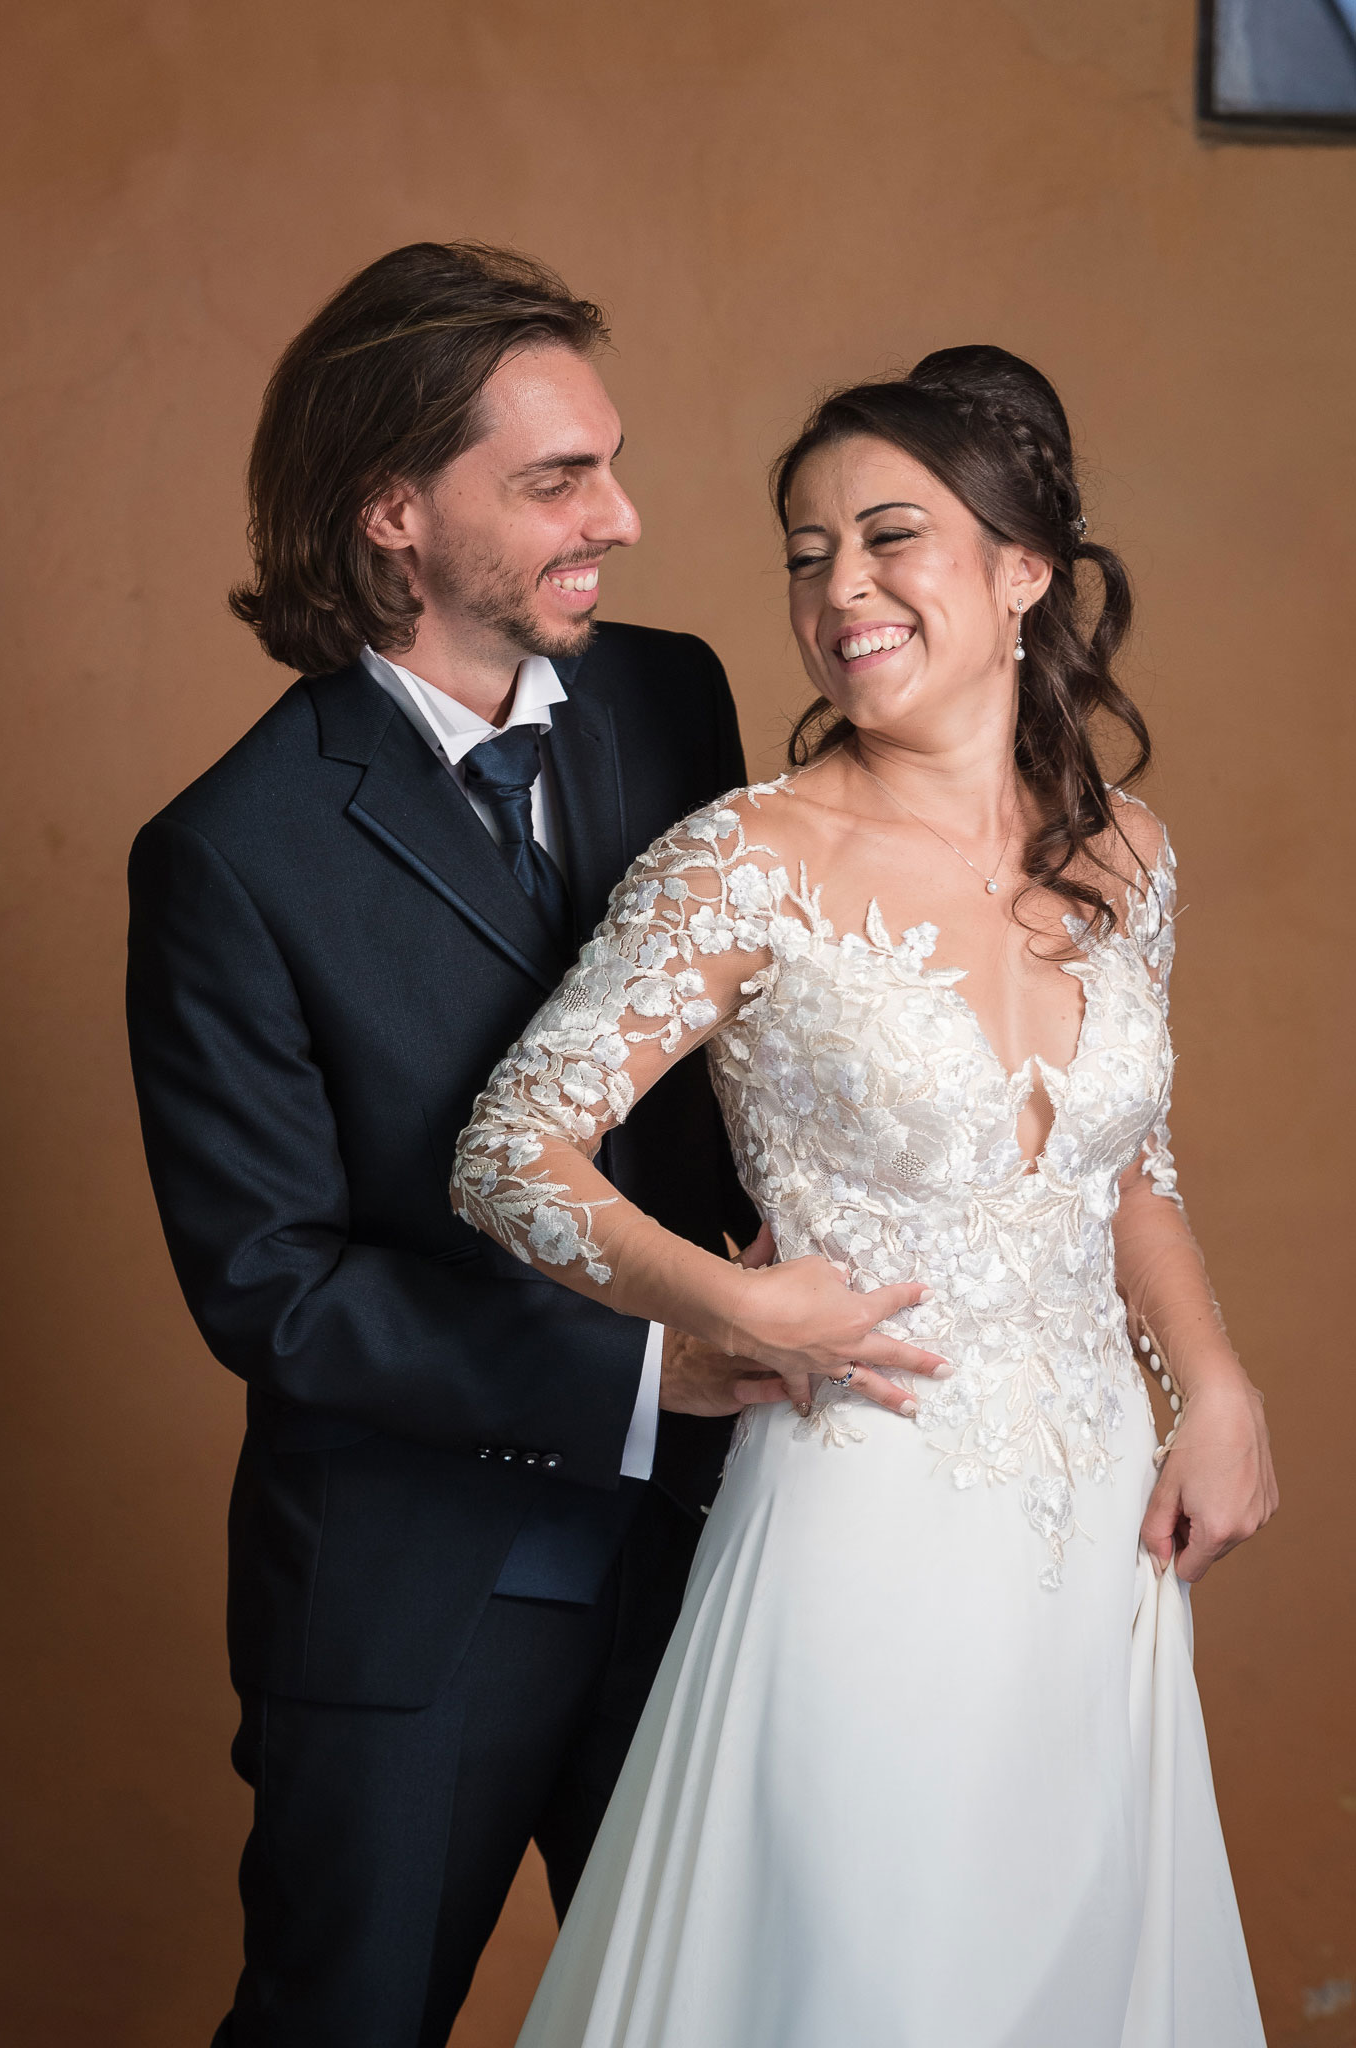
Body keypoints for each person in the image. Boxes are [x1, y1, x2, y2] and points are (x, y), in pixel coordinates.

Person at [126, 241, 936, 2046]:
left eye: (612, 464)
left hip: (732, 1559)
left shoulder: (673, 696)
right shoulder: (229, 857)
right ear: (393, 512)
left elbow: (758, 1045)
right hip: (417, 1603)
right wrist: (650, 1369)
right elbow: (275, 1289)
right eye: (559, 481)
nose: (622, 519)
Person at [452, 346, 1278, 2046]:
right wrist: (737, 1303)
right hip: (866, 1505)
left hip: (1097, 1521)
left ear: (1023, 570)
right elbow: (509, 1149)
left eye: (892, 539)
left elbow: (1121, 1163)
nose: (841, 592)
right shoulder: (750, 859)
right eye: (808, 555)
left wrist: (1217, 1388)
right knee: (874, 1977)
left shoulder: (1127, 852)